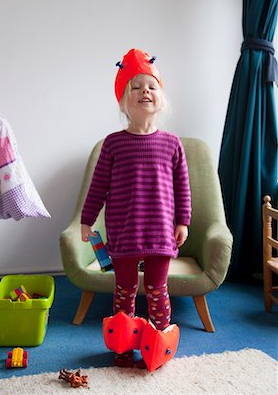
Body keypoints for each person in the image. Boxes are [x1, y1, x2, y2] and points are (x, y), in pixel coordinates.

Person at [80, 48, 191, 368]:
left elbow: (183, 187)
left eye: (152, 86)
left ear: (161, 98)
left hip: (160, 232)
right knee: (124, 290)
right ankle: (124, 344)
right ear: (123, 102)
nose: (145, 91)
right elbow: (97, 186)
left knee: (158, 289)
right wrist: (87, 221)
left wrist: (183, 220)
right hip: (124, 232)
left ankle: (158, 340)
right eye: (136, 86)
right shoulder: (112, 144)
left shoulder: (172, 144)